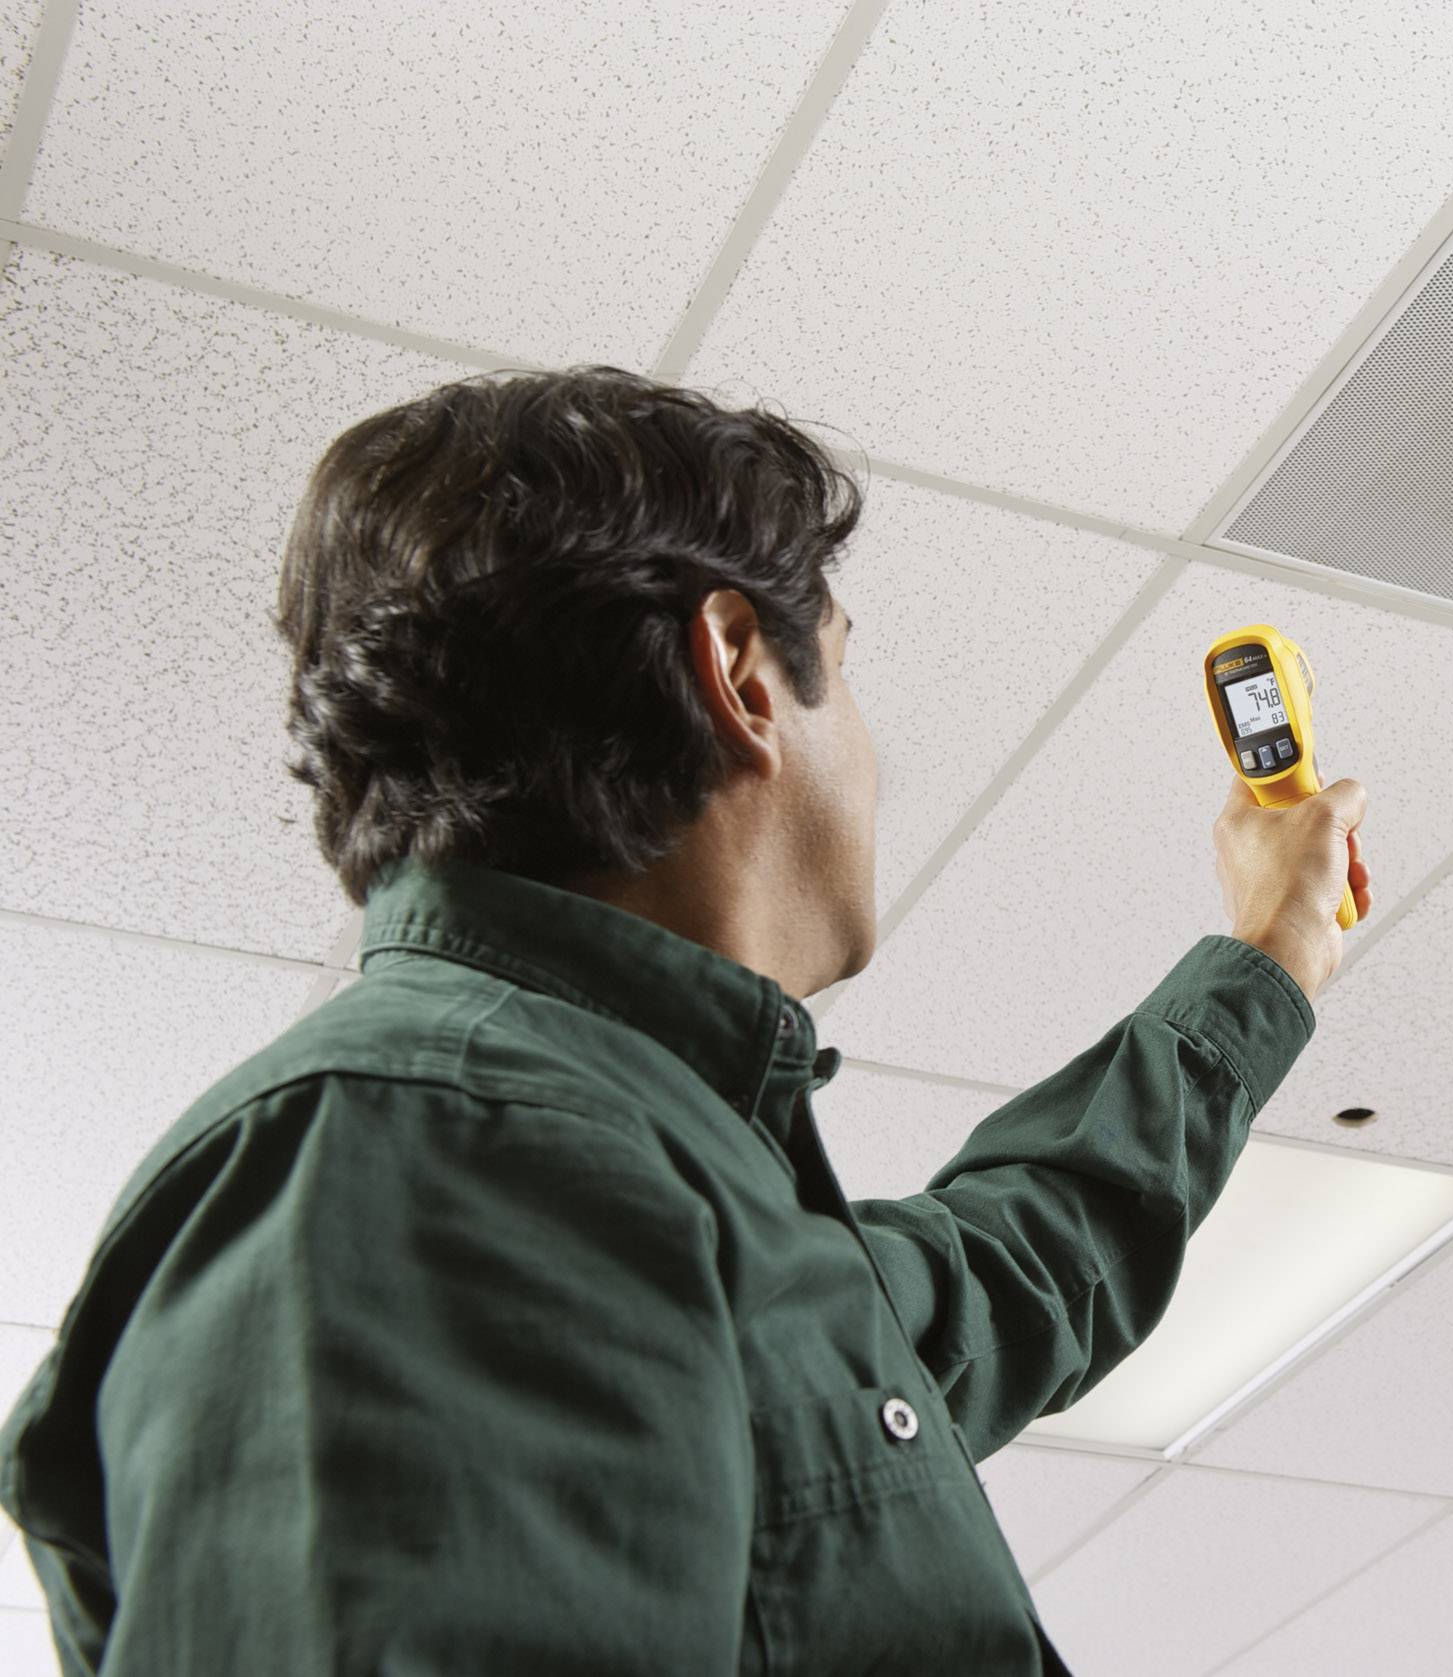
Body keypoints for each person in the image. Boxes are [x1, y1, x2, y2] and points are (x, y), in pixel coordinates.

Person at [0, 366, 1371, 1674]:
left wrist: (1273, 951)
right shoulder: (440, 1140)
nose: (876, 760)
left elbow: (1021, 1260)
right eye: (843, 664)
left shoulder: (632, 1185)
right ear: (740, 671)